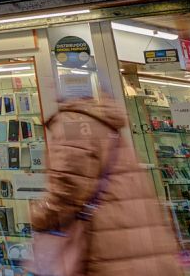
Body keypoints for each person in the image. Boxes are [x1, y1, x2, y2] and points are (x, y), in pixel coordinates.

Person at [30, 94, 181, 275]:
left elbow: (67, 188)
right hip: (141, 247)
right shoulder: (107, 125)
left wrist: (38, 214)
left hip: (108, 250)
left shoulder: (74, 123)